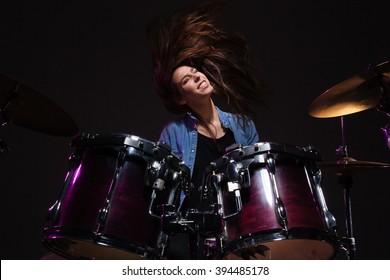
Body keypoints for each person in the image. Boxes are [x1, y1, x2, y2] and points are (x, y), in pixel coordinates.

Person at [147, 0, 270, 259]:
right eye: (187, 80)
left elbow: (257, 186)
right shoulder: (173, 132)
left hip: (234, 234)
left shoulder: (243, 125)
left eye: (196, 72)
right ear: (182, 98)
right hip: (187, 239)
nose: (198, 78)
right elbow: (163, 197)